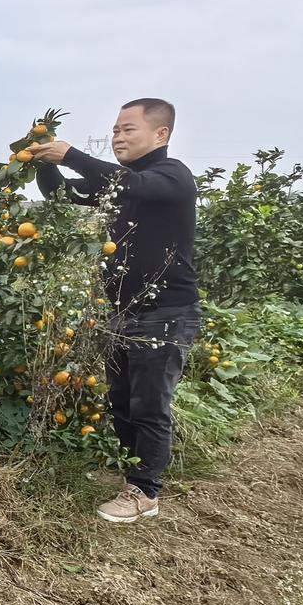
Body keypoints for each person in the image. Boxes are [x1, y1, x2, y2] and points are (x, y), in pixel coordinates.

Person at [30, 98, 199, 523]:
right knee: (121, 399)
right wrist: (43, 160)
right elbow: (63, 194)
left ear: (160, 134)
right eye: (115, 130)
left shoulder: (172, 176)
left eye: (128, 129)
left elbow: (133, 185)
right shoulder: (120, 184)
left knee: (150, 403)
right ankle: (131, 472)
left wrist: (71, 154)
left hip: (166, 312)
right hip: (122, 311)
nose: (117, 137)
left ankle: (145, 493)